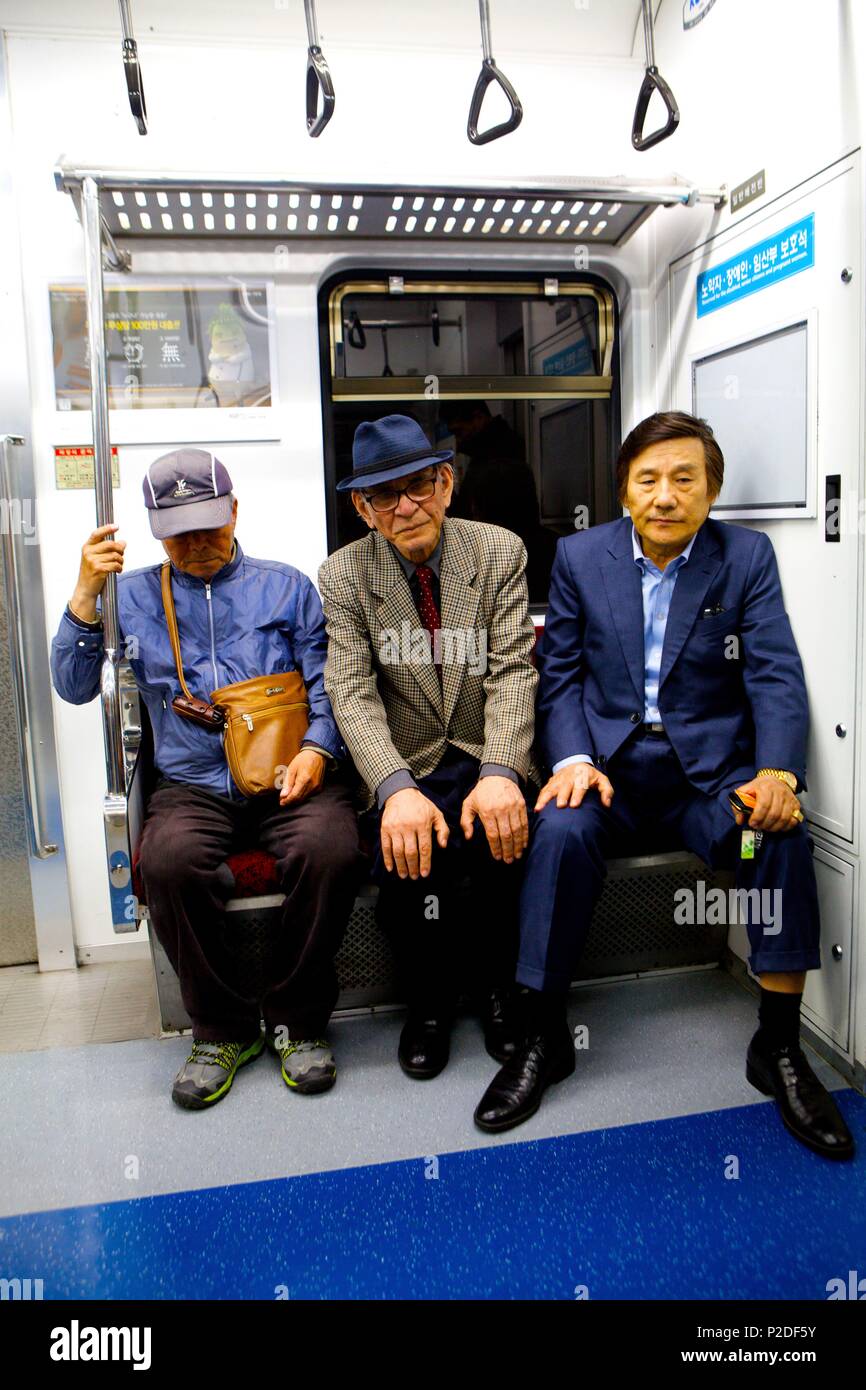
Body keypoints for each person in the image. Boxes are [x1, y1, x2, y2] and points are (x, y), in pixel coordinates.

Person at [474, 410, 855, 1161]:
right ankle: (544, 1036)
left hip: (705, 781)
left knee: (777, 831)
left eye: (685, 479)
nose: (666, 495)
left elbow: (776, 671)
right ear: (624, 491)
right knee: (557, 834)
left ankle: (777, 1047)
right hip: (608, 772)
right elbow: (561, 680)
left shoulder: (744, 558)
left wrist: (779, 773)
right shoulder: (583, 558)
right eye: (648, 480)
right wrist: (574, 761)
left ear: (711, 492)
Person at [50, 448, 362, 1109]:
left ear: (235, 511)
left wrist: (317, 750)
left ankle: (295, 1019)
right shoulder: (129, 598)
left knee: (331, 848)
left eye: (209, 527)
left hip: (288, 775)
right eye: (179, 532)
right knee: (165, 862)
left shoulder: (287, 588)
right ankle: (220, 1028)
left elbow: (330, 684)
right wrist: (83, 592)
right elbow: (74, 686)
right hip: (191, 783)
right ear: (155, 530)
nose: (196, 545)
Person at [318, 414, 542, 1079]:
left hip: (480, 745)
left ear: (446, 484)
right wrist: (393, 790)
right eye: (386, 495)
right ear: (364, 508)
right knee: (410, 859)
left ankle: (499, 990)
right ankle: (430, 1003)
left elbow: (511, 670)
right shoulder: (344, 576)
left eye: (419, 485)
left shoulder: (498, 551)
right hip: (406, 759)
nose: (407, 506)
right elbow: (352, 693)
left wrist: (502, 770)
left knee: (505, 842)